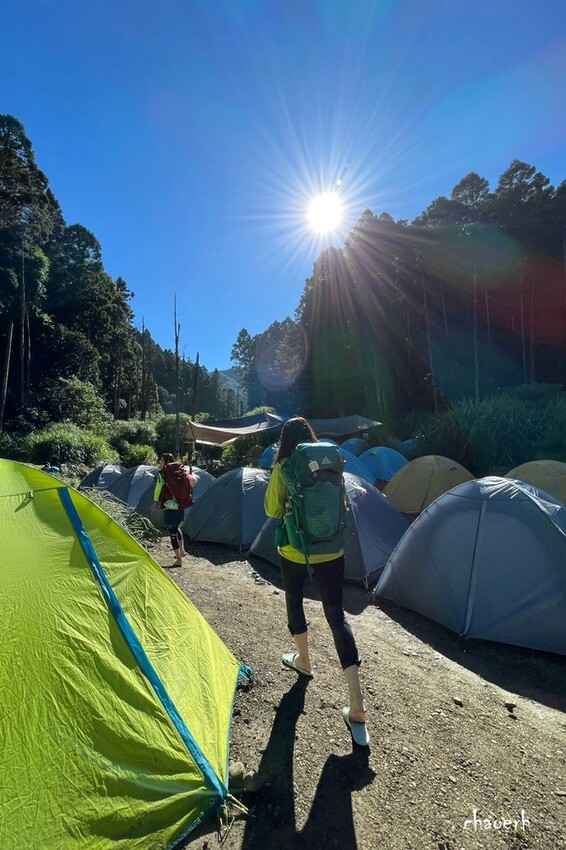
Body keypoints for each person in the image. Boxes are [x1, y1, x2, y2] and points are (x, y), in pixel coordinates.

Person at [264, 417, 370, 746]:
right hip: (333, 550)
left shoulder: (284, 466)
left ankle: (304, 661)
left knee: (294, 601)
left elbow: (271, 510)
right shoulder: (329, 460)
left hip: (295, 549)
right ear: (311, 437)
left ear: (284, 440)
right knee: (336, 615)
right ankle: (356, 706)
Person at [151, 453, 196, 567]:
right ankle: (182, 551)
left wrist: (155, 502)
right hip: (181, 504)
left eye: (161, 461)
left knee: (172, 532)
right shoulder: (180, 470)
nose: (160, 463)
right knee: (177, 528)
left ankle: (179, 560)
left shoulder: (163, 473)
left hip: (169, 506)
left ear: (165, 461)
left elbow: (158, 488)